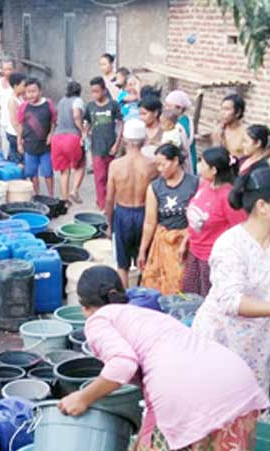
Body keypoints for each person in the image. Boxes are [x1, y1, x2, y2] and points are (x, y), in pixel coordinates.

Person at [59, 265, 269, 451]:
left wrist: (82, 398)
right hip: (237, 389)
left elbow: (122, 364)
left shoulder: (99, 320)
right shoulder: (144, 314)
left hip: (196, 400)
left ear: (85, 307)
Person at [192, 167, 270, 392]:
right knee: (222, 400)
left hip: (258, 342)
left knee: (253, 401)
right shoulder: (230, 245)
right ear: (262, 206)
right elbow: (231, 301)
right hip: (222, 338)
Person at [182, 146, 247, 296]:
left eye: (202, 163)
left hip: (213, 259)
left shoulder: (228, 197)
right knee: (192, 297)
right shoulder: (204, 184)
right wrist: (186, 241)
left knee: (210, 299)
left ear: (214, 170)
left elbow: (241, 232)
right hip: (195, 253)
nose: (199, 166)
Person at [138, 143, 198, 295]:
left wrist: (187, 237)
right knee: (157, 286)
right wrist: (142, 250)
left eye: (162, 164)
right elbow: (150, 222)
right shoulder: (155, 188)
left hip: (186, 244)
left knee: (182, 285)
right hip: (162, 245)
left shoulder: (194, 184)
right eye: (157, 165)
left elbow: (199, 219)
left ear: (176, 161)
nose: (159, 169)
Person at [106, 119, 159, 288]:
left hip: (122, 213)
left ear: (124, 140)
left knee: (123, 265)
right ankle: (143, 297)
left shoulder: (115, 165)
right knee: (144, 261)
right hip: (145, 214)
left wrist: (109, 224)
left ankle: (125, 299)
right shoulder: (152, 165)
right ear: (144, 141)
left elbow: (109, 199)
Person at [84, 76, 121, 210]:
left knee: (111, 177)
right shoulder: (90, 106)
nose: (95, 94)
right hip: (96, 147)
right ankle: (102, 204)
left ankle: (110, 202)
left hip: (111, 147)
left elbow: (120, 125)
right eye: (92, 91)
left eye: (97, 91)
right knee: (99, 177)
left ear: (104, 90)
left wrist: (117, 144)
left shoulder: (113, 105)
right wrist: (84, 134)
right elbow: (87, 122)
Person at [16, 78, 56, 197]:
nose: (31, 94)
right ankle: (37, 195)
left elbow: (53, 122)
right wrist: (19, 142)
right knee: (32, 173)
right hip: (29, 145)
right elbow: (20, 125)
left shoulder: (48, 104)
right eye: (28, 92)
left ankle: (51, 196)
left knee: (48, 172)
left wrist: (51, 134)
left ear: (40, 91)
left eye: (34, 91)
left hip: (45, 146)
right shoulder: (24, 107)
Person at [52, 81, 87, 203]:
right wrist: (82, 130)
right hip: (72, 137)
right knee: (80, 165)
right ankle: (74, 191)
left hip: (57, 138)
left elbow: (56, 118)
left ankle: (65, 198)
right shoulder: (77, 100)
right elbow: (77, 115)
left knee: (64, 170)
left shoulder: (61, 101)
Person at [164, 89, 197, 174]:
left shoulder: (179, 127)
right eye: (166, 105)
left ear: (179, 108)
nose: (166, 109)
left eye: (169, 106)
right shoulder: (187, 119)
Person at [212, 94, 249, 159]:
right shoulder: (219, 130)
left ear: (238, 112)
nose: (222, 113)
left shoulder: (246, 133)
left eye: (227, 109)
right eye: (222, 109)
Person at [0, 58, 17, 159]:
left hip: (14, 122)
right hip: (3, 120)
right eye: (5, 69)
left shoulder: (18, 84)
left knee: (15, 150)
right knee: (5, 150)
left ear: (14, 70)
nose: (7, 72)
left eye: (10, 69)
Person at [5, 73, 27, 165]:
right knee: (18, 161)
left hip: (20, 133)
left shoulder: (21, 98)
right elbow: (14, 122)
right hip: (15, 133)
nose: (25, 88)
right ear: (15, 86)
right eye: (23, 85)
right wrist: (20, 138)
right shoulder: (12, 100)